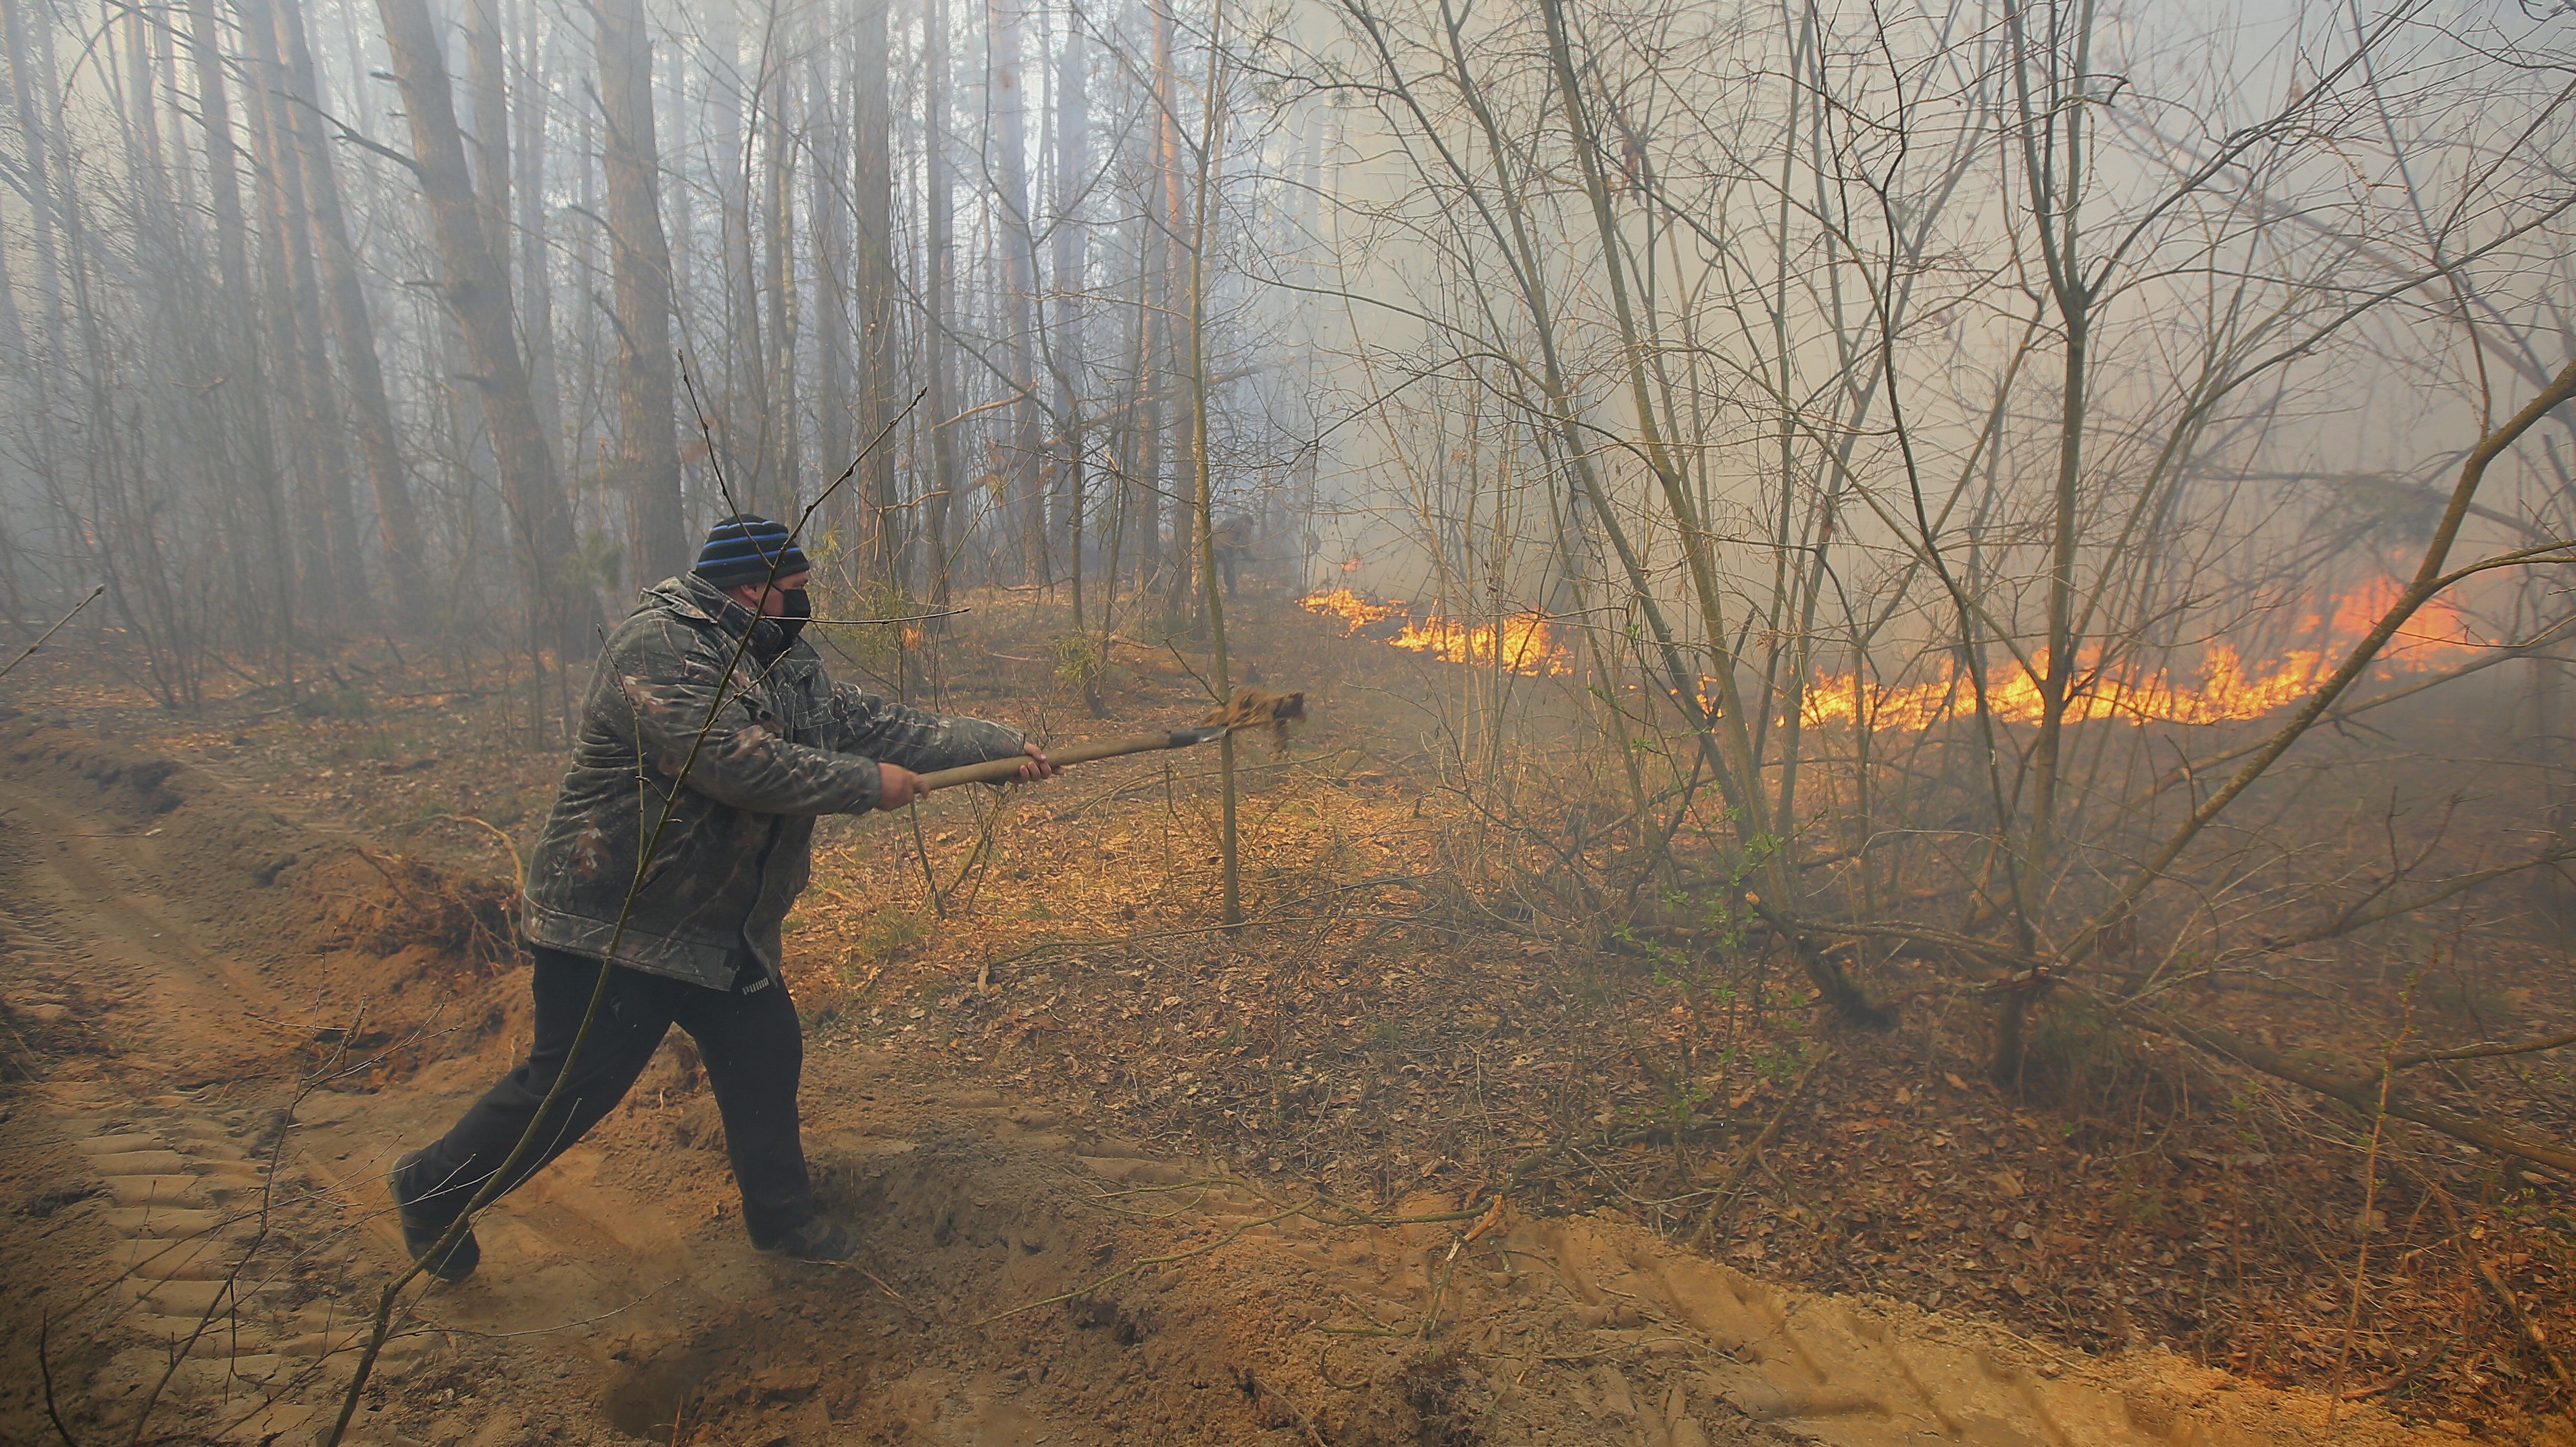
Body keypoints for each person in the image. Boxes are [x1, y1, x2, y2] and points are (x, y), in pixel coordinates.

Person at [388, 515, 1054, 1278]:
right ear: (750, 587)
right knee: (572, 1089)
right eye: (795, 590)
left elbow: (864, 722)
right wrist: (866, 786)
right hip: (614, 923)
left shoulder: (781, 658)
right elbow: (734, 764)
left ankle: (782, 1221)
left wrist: (993, 746)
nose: (806, 604)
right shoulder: (659, 648)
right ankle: (431, 1188)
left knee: (764, 1054)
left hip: (718, 928)